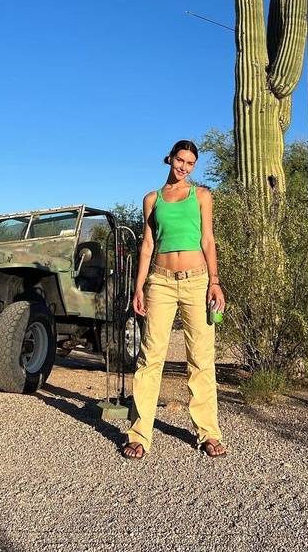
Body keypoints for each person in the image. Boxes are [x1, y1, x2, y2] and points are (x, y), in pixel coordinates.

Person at [122, 140, 226, 459]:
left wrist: (215, 282)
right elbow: (147, 246)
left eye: (190, 163)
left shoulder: (201, 196)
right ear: (170, 159)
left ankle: (207, 432)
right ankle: (139, 434)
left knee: (201, 358)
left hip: (197, 281)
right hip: (161, 283)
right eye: (180, 160)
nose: (184, 167)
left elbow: (207, 240)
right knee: (151, 356)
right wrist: (138, 288)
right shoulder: (152, 199)